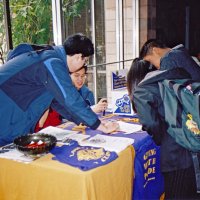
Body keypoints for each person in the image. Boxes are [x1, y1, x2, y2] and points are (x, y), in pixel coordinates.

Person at [0, 33, 119, 146]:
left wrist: (84, 121)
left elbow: (58, 102)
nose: (84, 64)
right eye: (85, 60)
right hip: (6, 113)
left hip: (14, 115)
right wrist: (100, 126)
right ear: (79, 57)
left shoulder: (51, 57)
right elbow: (70, 98)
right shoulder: (52, 62)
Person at [127, 58, 199, 199]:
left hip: (176, 157)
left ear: (133, 79)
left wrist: (162, 139)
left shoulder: (142, 90)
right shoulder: (167, 79)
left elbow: (151, 124)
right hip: (191, 145)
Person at [35, 65, 108, 132]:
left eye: (83, 76)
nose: (80, 79)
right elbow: (40, 125)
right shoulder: (57, 93)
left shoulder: (86, 92)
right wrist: (91, 111)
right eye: (76, 76)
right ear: (67, 77)